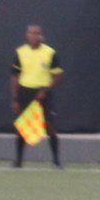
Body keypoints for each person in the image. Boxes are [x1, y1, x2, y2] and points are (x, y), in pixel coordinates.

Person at [12, 24, 63, 169]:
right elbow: (14, 76)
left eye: (37, 33)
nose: (34, 36)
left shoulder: (50, 52)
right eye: (31, 33)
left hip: (43, 93)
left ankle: (56, 161)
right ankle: (18, 161)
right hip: (24, 92)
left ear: (42, 36)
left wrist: (46, 89)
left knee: (50, 126)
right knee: (22, 128)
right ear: (27, 35)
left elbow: (58, 75)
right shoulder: (20, 52)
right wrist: (15, 98)